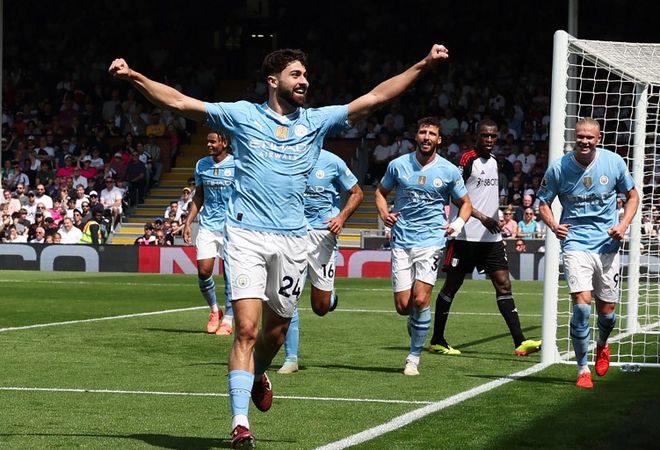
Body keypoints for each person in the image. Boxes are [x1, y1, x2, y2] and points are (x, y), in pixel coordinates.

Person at [111, 43, 448, 447]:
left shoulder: (316, 122)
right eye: (295, 74)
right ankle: (239, 424)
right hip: (246, 235)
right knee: (247, 330)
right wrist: (134, 77)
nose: (304, 81)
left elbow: (375, 97)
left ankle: (256, 375)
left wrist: (424, 65)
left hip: (294, 239)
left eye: (306, 75)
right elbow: (180, 101)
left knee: (278, 329)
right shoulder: (242, 115)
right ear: (273, 81)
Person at [537, 117, 638, 389]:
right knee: (581, 308)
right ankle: (582, 369)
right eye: (580, 136)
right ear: (574, 136)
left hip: (607, 244)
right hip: (575, 243)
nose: (584, 141)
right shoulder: (559, 168)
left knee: (608, 314)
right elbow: (542, 203)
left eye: (589, 137)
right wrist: (554, 225)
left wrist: (623, 224)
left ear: (598, 138)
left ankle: (602, 346)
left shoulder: (614, 162)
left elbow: (633, 196)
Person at [428, 120, 542, 358]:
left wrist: (494, 221)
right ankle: (437, 339)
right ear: (477, 136)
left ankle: (520, 341)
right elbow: (455, 193)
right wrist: (480, 217)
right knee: (452, 286)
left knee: (504, 284)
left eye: (493, 136)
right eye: (485, 136)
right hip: (465, 236)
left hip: (490, 237)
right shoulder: (465, 159)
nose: (489, 140)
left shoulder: (494, 162)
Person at [374, 117, 471, 377]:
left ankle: (413, 357)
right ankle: (415, 322)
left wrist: (458, 224)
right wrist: (385, 214)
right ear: (416, 136)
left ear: (439, 140)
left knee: (421, 298)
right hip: (402, 240)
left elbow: (465, 203)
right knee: (404, 306)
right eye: (422, 132)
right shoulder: (398, 166)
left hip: (431, 241)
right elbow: (380, 193)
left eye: (432, 134)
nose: (426, 137)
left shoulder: (449, 171)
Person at [278, 149, 364, 374]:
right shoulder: (286, 158)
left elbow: (357, 193)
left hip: (322, 236)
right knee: (289, 296)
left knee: (320, 307)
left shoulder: (333, 162)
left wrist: (340, 217)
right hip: (292, 234)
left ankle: (331, 298)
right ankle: (291, 358)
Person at [183, 131, 236, 336]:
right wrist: (188, 222)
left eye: (213, 141)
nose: (208, 144)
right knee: (204, 271)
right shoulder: (201, 165)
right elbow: (199, 195)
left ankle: (229, 320)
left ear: (224, 142)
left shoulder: (237, 165)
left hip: (231, 227)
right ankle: (215, 310)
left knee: (231, 275)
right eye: (207, 141)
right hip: (208, 225)